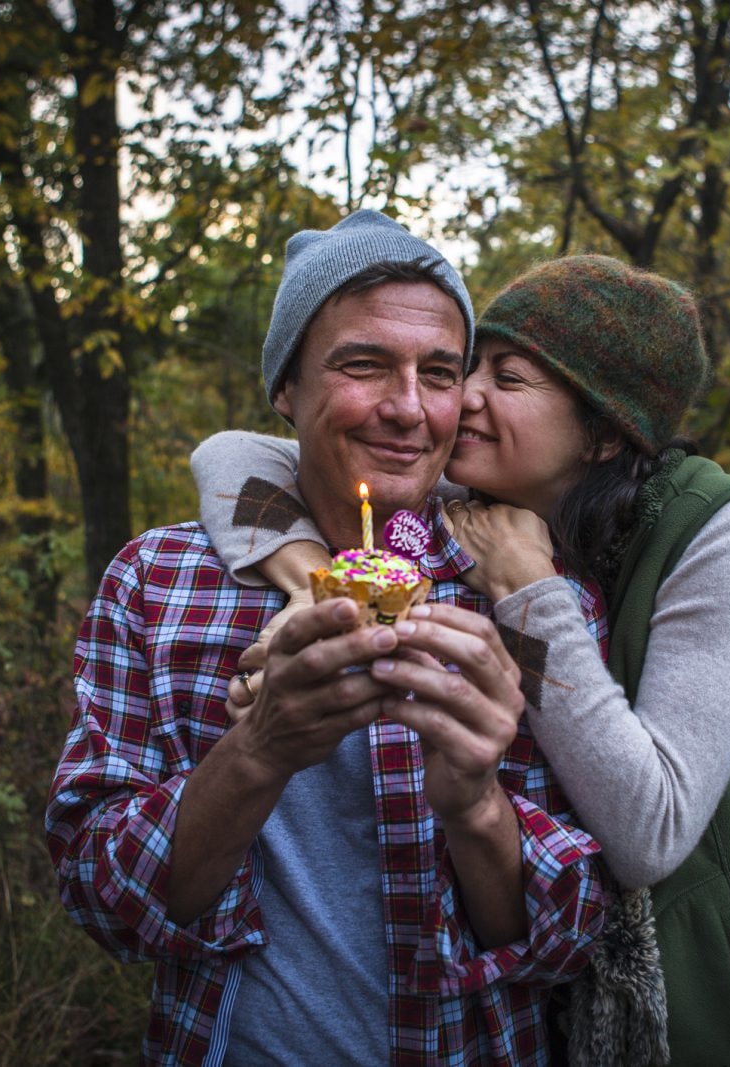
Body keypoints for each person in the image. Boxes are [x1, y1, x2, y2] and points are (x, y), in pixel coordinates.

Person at [193, 255, 730, 1065]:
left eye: (506, 376)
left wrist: (526, 588)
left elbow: (649, 830)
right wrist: (316, 594)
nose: (460, 396)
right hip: (570, 1007)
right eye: (470, 365)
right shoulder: (485, 506)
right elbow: (230, 456)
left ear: (606, 431)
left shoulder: (721, 532)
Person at [45, 212, 611, 1067]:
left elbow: (570, 938)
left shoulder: (533, 598)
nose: (407, 407)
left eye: (439, 373)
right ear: (286, 388)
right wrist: (259, 751)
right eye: (363, 364)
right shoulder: (156, 584)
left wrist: (474, 803)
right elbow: (100, 896)